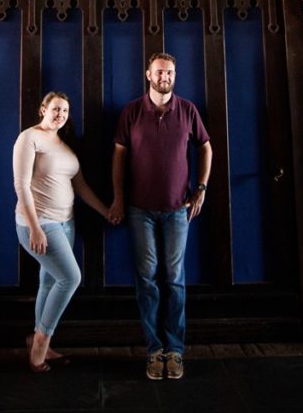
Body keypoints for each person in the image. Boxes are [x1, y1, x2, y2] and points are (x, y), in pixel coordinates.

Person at [108, 52, 212, 381]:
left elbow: (206, 147)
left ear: (174, 76)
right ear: (148, 75)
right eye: (159, 72)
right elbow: (119, 158)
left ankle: (175, 350)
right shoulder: (132, 112)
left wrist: (201, 188)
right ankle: (154, 351)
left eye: (169, 73)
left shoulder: (188, 110)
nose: (164, 77)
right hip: (140, 211)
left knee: (175, 280)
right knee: (147, 280)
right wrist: (119, 199)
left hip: (178, 211)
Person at [13, 91, 116, 372]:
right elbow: (21, 186)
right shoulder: (29, 138)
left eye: (65, 111)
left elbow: (80, 186)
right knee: (71, 278)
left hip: (66, 223)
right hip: (39, 224)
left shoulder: (64, 145)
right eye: (56, 109)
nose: (60, 115)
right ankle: (39, 346)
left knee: (48, 283)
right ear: (42, 109)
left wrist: (106, 211)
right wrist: (35, 228)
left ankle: (38, 338)